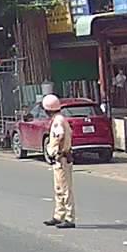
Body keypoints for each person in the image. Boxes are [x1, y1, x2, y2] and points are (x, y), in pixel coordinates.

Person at [41, 94, 75, 229]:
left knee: (65, 189)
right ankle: (59, 215)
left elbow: (60, 136)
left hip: (62, 159)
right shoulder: (60, 119)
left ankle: (69, 218)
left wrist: (58, 152)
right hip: (60, 159)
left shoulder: (58, 121)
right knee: (59, 188)